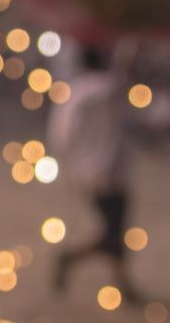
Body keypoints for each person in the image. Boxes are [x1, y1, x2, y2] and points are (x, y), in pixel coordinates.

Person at [49, 41, 139, 301]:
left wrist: (74, 165)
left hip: (86, 172)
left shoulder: (74, 93)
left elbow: (62, 136)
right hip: (111, 171)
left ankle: (122, 282)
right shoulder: (109, 89)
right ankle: (73, 258)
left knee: (115, 229)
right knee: (115, 231)